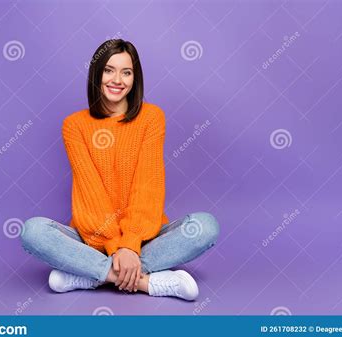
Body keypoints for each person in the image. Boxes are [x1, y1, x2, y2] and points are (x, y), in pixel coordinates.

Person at [21, 39, 220, 301]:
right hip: (91, 240)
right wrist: (116, 247)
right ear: (96, 73)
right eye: (109, 70)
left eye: (126, 72)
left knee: (206, 226)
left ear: (135, 78)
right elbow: (90, 192)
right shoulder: (75, 125)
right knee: (33, 231)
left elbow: (147, 185)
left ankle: (90, 275)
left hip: (143, 238)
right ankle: (144, 282)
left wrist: (130, 244)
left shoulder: (151, 117)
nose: (117, 80)